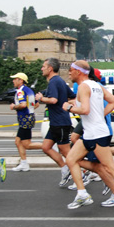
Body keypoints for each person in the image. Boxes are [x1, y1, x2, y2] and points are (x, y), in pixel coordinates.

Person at [62, 60, 114, 216]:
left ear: (79, 72)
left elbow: (85, 110)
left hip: (96, 134)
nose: (69, 72)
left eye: (71, 70)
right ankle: (82, 194)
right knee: (71, 159)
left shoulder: (83, 87)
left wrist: (69, 107)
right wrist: (100, 115)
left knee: (111, 167)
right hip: (91, 132)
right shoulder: (96, 85)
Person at [35, 57, 76, 186]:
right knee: (46, 147)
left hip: (61, 122)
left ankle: (84, 172)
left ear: (50, 68)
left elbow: (53, 100)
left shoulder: (54, 81)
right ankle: (65, 169)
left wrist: (42, 98)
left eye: (43, 66)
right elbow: (72, 96)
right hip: (55, 123)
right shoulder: (59, 81)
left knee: (66, 152)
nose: (42, 68)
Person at [10, 72, 41, 172]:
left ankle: (48, 146)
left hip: (24, 119)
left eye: (15, 79)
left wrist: (13, 107)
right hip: (29, 117)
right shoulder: (29, 90)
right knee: (18, 141)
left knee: (27, 144)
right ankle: (24, 164)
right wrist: (30, 110)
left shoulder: (20, 91)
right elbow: (36, 104)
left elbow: (23, 104)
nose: (13, 81)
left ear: (21, 80)